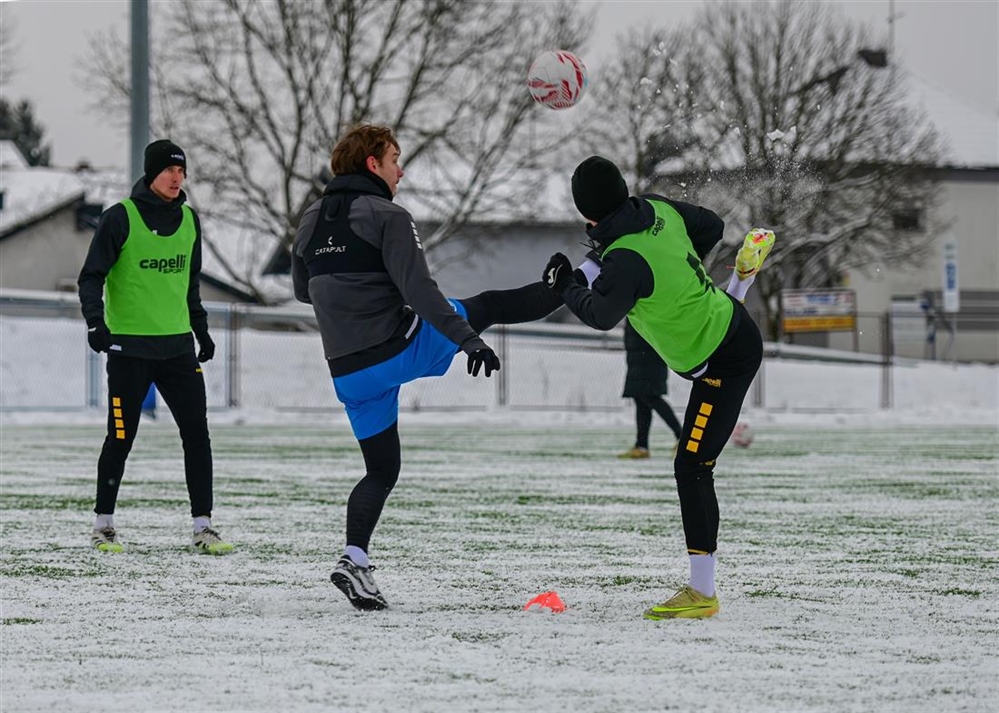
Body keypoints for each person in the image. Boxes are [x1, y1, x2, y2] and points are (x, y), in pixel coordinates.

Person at [292, 124, 564, 611]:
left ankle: (355, 560)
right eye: (395, 159)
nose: (401, 171)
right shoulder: (389, 215)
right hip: (396, 347)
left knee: (380, 469)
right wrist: (468, 340)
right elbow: (420, 292)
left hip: (348, 371)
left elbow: (301, 289)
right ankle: (565, 286)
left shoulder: (310, 218)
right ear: (373, 164)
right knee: (485, 305)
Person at [542, 155, 774, 620]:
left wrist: (566, 284)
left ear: (586, 213)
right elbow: (712, 226)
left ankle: (702, 592)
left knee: (692, 466)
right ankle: (738, 282)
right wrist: (677, 273)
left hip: (723, 362)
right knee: (692, 458)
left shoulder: (624, 260)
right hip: (724, 323)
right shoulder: (656, 208)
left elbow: (600, 315)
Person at [78, 139, 232, 556]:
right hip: (129, 351)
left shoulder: (190, 220)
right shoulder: (119, 218)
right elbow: (91, 276)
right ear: (151, 173)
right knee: (120, 436)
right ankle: (103, 525)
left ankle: (203, 526)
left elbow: (190, 285)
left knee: (197, 435)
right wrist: (96, 322)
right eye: (169, 170)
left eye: (181, 170)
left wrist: (201, 331)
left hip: (178, 350)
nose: (177, 177)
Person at [618, 318, 682, 459]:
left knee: (651, 397)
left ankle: (682, 437)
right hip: (638, 358)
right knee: (641, 400)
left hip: (649, 357)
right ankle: (642, 446)